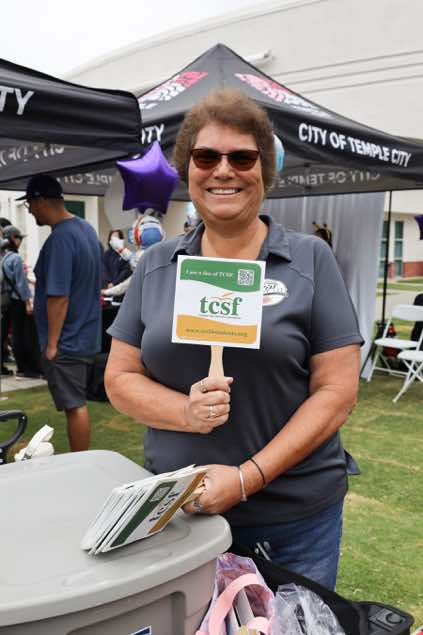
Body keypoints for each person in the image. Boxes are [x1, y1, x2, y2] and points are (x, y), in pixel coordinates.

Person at [105, 88, 362, 590]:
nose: (223, 170)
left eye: (242, 157)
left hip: (291, 520)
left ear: (264, 170)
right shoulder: (156, 264)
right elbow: (119, 378)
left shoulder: (310, 259)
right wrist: (185, 411)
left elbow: (337, 391)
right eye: (206, 157)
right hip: (178, 514)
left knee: (292, 625)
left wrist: (247, 477)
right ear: (188, 169)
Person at [20, 174, 102, 451]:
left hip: (67, 339)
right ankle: (81, 460)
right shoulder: (85, 229)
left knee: (74, 406)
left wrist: (52, 344)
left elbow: (58, 297)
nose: (30, 211)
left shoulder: (61, 239)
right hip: (85, 334)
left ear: (41, 201)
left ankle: (80, 462)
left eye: (30, 204)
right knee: (76, 404)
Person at [1, 225, 36, 377]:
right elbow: (21, 284)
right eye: (19, 238)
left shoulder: (3, 257)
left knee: (5, 334)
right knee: (19, 334)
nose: (20, 241)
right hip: (17, 301)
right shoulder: (15, 258)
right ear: (13, 239)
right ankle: (23, 368)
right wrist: (28, 302)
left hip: (5, 300)